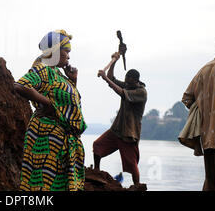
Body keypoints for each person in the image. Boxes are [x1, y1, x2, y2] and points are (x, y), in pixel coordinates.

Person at [14, 30, 87, 191]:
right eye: (66, 51)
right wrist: (47, 103)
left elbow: (67, 103)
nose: (68, 56)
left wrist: (73, 81)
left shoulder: (57, 74)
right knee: (46, 186)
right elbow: (20, 86)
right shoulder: (44, 69)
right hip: (47, 138)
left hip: (61, 139)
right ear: (55, 50)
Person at [182, 35, 215, 191]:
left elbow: (187, 98)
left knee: (211, 183)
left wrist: (206, 112)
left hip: (207, 137)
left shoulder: (204, 70)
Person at [94, 52, 147, 189]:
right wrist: (115, 61)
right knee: (97, 146)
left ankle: (137, 185)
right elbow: (112, 78)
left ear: (135, 80)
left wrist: (106, 79)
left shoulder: (141, 92)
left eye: (128, 80)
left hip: (129, 133)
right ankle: (96, 171)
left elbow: (121, 92)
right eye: (126, 80)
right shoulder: (129, 85)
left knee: (131, 162)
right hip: (117, 129)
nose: (126, 83)